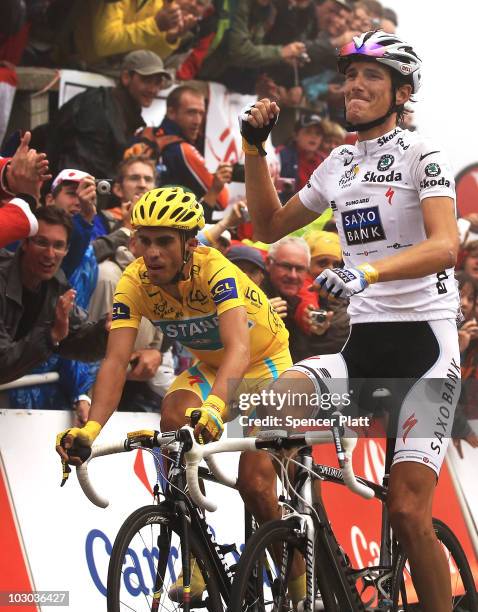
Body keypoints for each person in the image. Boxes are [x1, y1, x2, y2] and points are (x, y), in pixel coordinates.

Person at [239, 31, 460, 612]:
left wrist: (370, 275)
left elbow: (445, 247)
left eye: (372, 76)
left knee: (409, 512)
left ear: (401, 90)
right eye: (350, 75)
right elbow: (267, 227)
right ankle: (304, 567)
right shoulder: (338, 162)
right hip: (361, 352)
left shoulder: (422, 155)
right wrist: (255, 148)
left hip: (425, 355)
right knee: (262, 436)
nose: (355, 86)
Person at [56, 187, 293, 597]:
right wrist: (91, 429)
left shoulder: (215, 270)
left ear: (190, 242)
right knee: (172, 421)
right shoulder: (134, 282)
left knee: (255, 484)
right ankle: (197, 557)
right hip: (213, 366)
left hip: (267, 363)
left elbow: (239, 348)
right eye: (143, 240)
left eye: (164, 241)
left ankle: (297, 575)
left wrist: (217, 407)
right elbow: (114, 362)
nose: (151, 252)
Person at [0, 206, 108, 385]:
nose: (50, 254)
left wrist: (106, 331)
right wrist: (50, 336)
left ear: (67, 250)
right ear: (25, 243)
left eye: (58, 246)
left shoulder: (55, 285)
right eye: (42, 242)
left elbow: (75, 339)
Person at [45, 50, 172, 179]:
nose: (153, 89)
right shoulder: (97, 107)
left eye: (157, 82)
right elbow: (84, 169)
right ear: (126, 77)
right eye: (146, 80)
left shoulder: (125, 110)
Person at [124, 85, 232, 223]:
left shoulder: (143, 133)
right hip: (162, 224)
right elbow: (221, 200)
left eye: (201, 113)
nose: (197, 121)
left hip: (128, 215)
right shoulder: (182, 150)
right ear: (171, 112)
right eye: (191, 113)